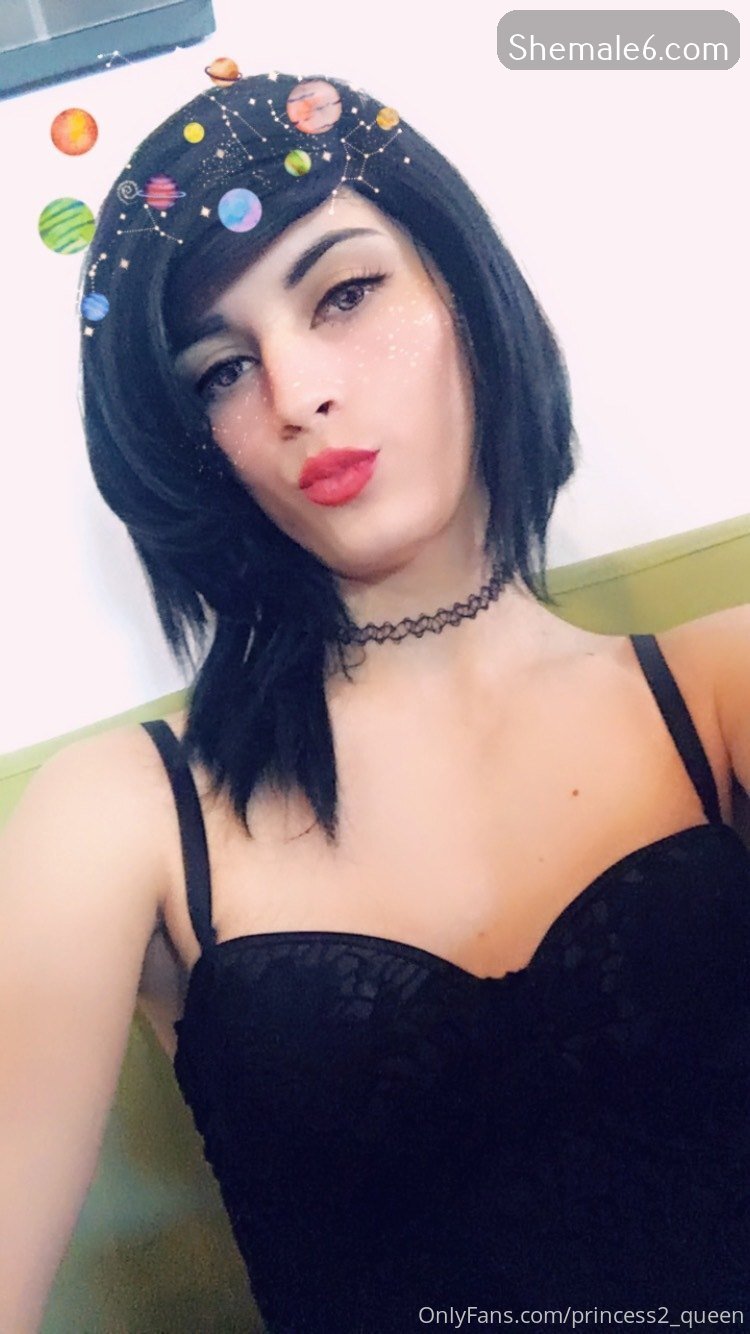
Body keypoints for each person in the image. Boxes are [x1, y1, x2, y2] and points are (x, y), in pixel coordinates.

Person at [1, 68, 749, 1333]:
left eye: (344, 293)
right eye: (219, 371)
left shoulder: (719, 689)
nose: (296, 393)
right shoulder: (122, 816)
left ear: (461, 286)